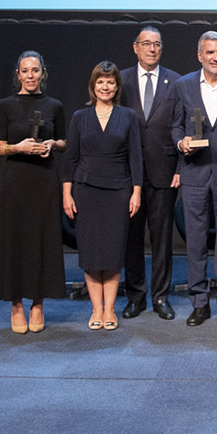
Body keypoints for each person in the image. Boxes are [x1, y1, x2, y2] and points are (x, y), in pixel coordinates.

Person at [61, 62, 143, 330]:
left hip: (119, 192)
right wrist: (67, 194)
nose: (105, 87)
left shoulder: (129, 116)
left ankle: (110, 310)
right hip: (86, 192)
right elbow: (70, 158)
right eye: (100, 82)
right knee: (91, 253)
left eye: (110, 82)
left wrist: (136, 192)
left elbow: (135, 157)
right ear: (93, 85)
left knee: (111, 253)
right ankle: (96, 310)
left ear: (117, 86)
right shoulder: (79, 117)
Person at [0, 51, 67, 333]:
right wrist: (19, 147)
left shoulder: (54, 105)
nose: (31, 75)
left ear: (42, 73)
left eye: (36, 70)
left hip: (44, 181)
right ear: (18, 74)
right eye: (26, 71)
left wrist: (51, 145)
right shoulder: (5, 106)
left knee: (42, 242)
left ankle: (37, 303)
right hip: (15, 183)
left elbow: (63, 140)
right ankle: (16, 304)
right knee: (15, 242)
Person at [170, 31, 217, 326]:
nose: (216, 57)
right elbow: (175, 126)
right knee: (196, 241)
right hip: (195, 171)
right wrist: (180, 143)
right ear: (200, 55)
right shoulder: (183, 85)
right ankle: (199, 302)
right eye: (210, 52)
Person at [119, 26, 183, 320]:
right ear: (135, 47)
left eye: (156, 44)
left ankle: (160, 297)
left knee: (162, 240)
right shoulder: (119, 80)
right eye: (146, 44)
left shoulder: (176, 82)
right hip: (127, 174)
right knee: (132, 239)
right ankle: (135, 295)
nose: (152, 49)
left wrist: (181, 167)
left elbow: (182, 128)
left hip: (164, 172)